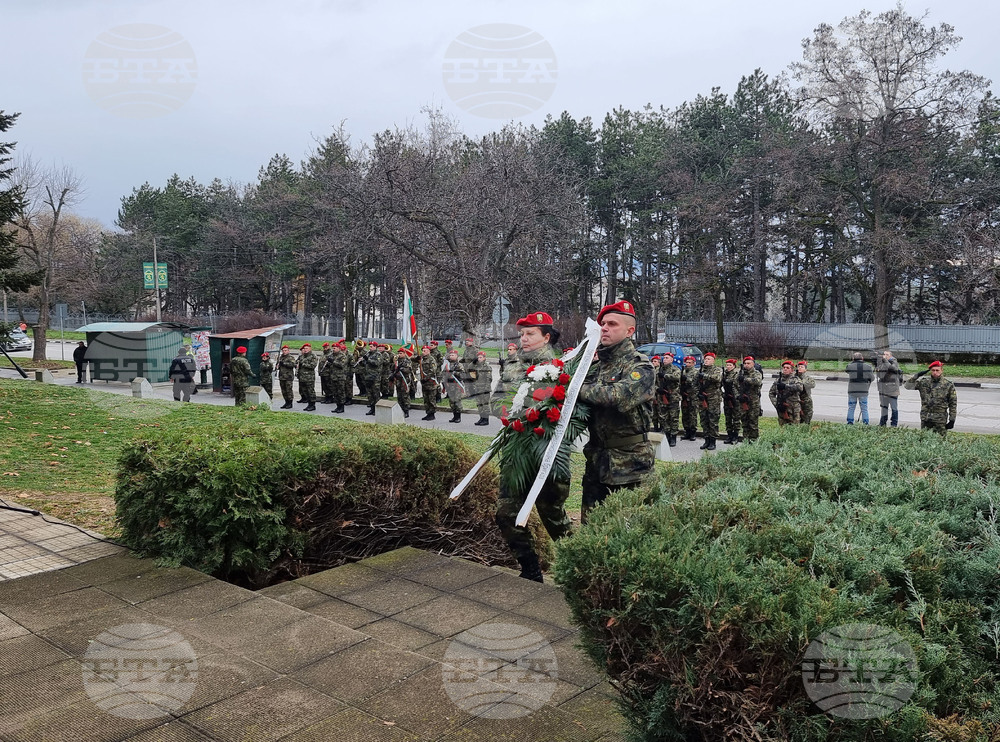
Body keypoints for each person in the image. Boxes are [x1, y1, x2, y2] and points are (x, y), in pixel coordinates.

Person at [495, 311, 572, 583]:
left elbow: (567, 412)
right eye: (522, 334)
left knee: (553, 517)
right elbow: (498, 399)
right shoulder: (513, 364)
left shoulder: (561, 368)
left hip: (545, 452)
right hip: (515, 452)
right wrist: (506, 412)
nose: (524, 339)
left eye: (530, 334)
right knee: (506, 513)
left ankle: (579, 571)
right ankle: (530, 570)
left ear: (546, 337)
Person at [578, 300, 655, 524]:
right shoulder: (595, 366)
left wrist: (574, 389)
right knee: (591, 528)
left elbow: (617, 396)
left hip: (630, 465)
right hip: (596, 461)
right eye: (603, 324)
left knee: (629, 530)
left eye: (612, 324)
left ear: (629, 331)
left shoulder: (640, 366)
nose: (604, 328)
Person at [904, 360, 958, 435]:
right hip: (926, 418)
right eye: (933, 370)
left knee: (940, 439)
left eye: (937, 370)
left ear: (941, 370)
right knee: (925, 438)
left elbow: (953, 403)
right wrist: (917, 375)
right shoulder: (924, 382)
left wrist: (952, 419)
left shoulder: (948, 385)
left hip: (940, 419)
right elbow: (907, 386)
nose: (935, 372)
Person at [696, 352, 723, 450]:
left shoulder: (717, 370)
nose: (706, 361)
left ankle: (713, 441)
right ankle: (706, 440)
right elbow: (695, 383)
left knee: (713, 420)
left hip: (713, 398)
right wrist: (698, 393)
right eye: (705, 359)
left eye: (709, 359)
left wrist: (705, 376)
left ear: (713, 361)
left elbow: (717, 378)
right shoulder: (700, 370)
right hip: (703, 398)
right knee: (704, 420)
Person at [737, 355, 763, 441]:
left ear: (753, 364)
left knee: (753, 423)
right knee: (744, 423)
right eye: (745, 363)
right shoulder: (740, 373)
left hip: (753, 402)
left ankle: (754, 442)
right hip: (743, 401)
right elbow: (735, 385)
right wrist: (738, 395)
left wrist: (745, 379)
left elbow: (757, 381)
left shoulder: (756, 373)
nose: (746, 365)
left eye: (748, 363)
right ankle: (745, 441)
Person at [769, 360, 803, 425]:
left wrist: (785, 386)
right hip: (782, 408)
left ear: (792, 370)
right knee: (783, 427)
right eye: (784, 367)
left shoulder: (795, 379)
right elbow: (771, 393)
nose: (785, 369)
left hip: (794, 409)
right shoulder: (778, 380)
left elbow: (800, 388)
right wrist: (776, 404)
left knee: (794, 427)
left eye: (787, 368)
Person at [658, 351, 681, 446]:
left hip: (673, 397)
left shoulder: (675, 369)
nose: (665, 359)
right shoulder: (659, 369)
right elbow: (654, 381)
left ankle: (673, 437)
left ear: (672, 360)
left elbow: (677, 377)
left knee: (673, 417)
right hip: (662, 397)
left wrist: (665, 376)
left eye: (667, 358)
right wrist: (658, 389)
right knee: (663, 417)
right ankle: (666, 435)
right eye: (664, 358)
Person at [845, 351, 874, 425]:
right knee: (864, 408)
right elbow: (872, 378)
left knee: (851, 407)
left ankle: (850, 422)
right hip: (863, 390)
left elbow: (847, 370)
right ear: (862, 358)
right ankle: (866, 423)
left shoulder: (850, 366)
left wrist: (853, 362)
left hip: (852, 390)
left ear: (853, 358)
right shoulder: (868, 367)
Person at [876, 350, 902, 427]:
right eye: (884, 354)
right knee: (884, 407)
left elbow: (892, 369)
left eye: (887, 354)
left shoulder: (894, 362)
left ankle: (894, 424)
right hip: (883, 389)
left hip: (892, 390)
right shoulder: (882, 363)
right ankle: (882, 423)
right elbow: (880, 374)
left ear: (891, 356)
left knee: (894, 408)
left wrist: (885, 361)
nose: (885, 356)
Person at [469, 349, 492, 426]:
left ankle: (486, 419)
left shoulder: (487, 366)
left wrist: (486, 389)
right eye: (478, 357)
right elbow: (469, 369)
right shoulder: (476, 366)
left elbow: (489, 379)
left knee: (485, 404)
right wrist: (473, 362)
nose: (479, 359)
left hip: (484, 389)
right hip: (478, 388)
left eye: (481, 357)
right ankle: (481, 418)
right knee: (479, 404)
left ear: (484, 358)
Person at [442, 348, 465, 423]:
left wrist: (454, 373)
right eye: (450, 355)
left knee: (457, 401)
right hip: (450, 385)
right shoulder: (448, 365)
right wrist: (444, 381)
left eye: (453, 355)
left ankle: (458, 417)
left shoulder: (459, 365)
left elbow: (462, 375)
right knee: (451, 402)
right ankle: (454, 416)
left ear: (457, 356)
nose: (451, 356)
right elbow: (444, 373)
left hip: (457, 385)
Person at [680, 355, 699, 441]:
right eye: (687, 362)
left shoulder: (696, 372)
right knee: (685, 414)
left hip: (693, 396)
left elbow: (693, 382)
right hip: (684, 395)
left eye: (689, 362)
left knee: (692, 415)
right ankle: (687, 431)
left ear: (693, 363)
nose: (687, 364)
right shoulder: (684, 371)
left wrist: (686, 379)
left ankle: (693, 432)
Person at [721, 358, 741, 444]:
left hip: (735, 399)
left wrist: (736, 396)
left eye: (730, 365)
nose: (728, 367)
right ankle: (729, 435)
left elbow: (739, 387)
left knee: (736, 419)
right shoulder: (724, 375)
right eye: (727, 365)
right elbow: (718, 386)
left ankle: (735, 436)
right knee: (728, 418)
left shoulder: (737, 375)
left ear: (734, 366)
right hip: (727, 399)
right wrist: (723, 395)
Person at [418, 345, 438, 420]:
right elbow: (412, 359)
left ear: (429, 351)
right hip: (424, 383)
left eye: (425, 351)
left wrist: (426, 378)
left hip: (430, 382)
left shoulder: (431, 359)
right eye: (422, 351)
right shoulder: (422, 359)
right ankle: (428, 413)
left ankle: (432, 414)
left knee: (431, 399)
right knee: (426, 399)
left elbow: (433, 370)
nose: (423, 352)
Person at [296, 343, 318, 411]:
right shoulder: (302, 356)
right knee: (305, 391)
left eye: (307, 348)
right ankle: (309, 404)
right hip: (302, 377)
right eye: (304, 348)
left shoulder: (313, 356)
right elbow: (297, 363)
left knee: (310, 391)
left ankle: (312, 405)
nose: (305, 350)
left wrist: (303, 364)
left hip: (309, 377)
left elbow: (313, 366)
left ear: (310, 349)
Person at [394, 345, 414, 418]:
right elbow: (393, 369)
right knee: (399, 396)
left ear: (404, 353)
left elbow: (408, 370)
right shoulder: (396, 361)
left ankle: (406, 410)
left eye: (401, 353)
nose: (399, 354)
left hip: (405, 380)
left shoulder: (407, 361)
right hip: (398, 380)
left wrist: (401, 369)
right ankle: (400, 409)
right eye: (399, 353)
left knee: (405, 395)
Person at [329, 342, 349, 413]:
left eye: (334, 348)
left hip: (340, 377)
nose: (333, 349)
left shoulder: (342, 356)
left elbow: (341, 365)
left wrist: (333, 361)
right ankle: (337, 406)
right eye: (333, 348)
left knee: (341, 392)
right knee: (335, 393)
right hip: (333, 377)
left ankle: (341, 407)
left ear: (338, 348)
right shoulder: (332, 355)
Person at [796, 360, 816, 424]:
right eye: (798, 367)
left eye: (802, 367)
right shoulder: (794, 377)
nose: (800, 368)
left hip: (806, 401)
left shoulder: (808, 378)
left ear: (805, 369)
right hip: (795, 401)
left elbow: (812, 385)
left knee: (807, 416)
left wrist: (801, 382)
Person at [277, 345, 296, 409]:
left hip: (288, 377)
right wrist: (278, 366)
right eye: (283, 350)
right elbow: (279, 365)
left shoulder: (291, 357)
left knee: (289, 390)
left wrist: (284, 363)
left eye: (285, 350)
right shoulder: (281, 357)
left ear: (288, 351)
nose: (284, 352)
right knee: (283, 390)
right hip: (282, 376)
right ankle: (286, 402)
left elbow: (293, 365)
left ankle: (290, 403)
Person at [648, 356, 662, 431]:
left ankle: (662, 427)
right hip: (653, 393)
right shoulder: (651, 370)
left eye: (655, 361)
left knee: (661, 411)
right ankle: (655, 426)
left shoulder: (660, 370)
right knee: (654, 412)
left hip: (660, 393)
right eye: (653, 361)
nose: (653, 363)